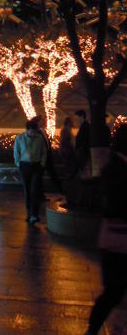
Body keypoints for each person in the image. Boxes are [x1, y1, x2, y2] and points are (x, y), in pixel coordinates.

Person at [85, 125, 127, 334]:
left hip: (114, 239)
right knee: (114, 291)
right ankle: (93, 328)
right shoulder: (116, 169)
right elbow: (116, 204)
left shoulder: (115, 165)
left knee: (114, 291)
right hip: (117, 240)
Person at [13, 117, 47, 223]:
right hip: (24, 165)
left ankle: (34, 214)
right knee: (27, 190)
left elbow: (44, 151)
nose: (33, 133)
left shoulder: (39, 138)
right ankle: (29, 213)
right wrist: (18, 163)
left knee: (34, 190)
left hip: (36, 166)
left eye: (34, 131)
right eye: (31, 131)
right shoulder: (20, 138)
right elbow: (16, 151)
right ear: (27, 129)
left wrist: (42, 163)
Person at [35, 114, 62, 193]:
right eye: (42, 120)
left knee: (50, 174)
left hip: (46, 156)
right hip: (42, 157)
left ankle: (60, 189)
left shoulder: (42, 131)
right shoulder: (38, 132)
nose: (44, 121)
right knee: (47, 175)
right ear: (38, 122)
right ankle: (60, 190)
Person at [75, 109, 92, 179]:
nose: (76, 119)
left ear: (81, 116)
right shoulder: (85, 126)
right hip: (84, 151)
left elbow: (83, 139)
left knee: (84, 169)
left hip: (83, 152)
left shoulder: (85, 127)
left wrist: (81, 148)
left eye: (77, 117)